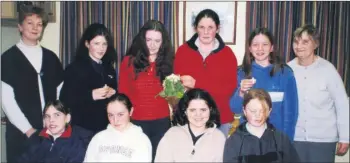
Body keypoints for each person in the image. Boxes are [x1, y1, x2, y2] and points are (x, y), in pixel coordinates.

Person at [1, 5, 64, 162]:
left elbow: (59, 95)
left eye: (39, 24)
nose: (35, 28)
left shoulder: (51, 58)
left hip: (49, 133)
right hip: (20, 134)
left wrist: (53, 125)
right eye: (30, 23)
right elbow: (7, 101)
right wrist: (28, 130)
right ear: (20, 27)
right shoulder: (8, 59)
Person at [288, 24, 349, 162]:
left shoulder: (328, 70)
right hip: (295, 139)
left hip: (324, 141)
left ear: (315, 44)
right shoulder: (288, 69)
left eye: (305, 41)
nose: (299, 46)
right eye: (296, 42)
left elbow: (342, 105)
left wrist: (345, 137)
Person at [174, 9, 238, 136]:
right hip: (189, 119)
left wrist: (196, 83)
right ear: (195, 29)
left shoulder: (227, 54)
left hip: (219, 119)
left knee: (217, 156)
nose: (206, 32)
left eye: (210, 27)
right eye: (201, 27)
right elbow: (177, 90)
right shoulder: (182, 52)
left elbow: (229, 89)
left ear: (217, 28)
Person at [118, 19, 174, 161]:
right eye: (149, 40)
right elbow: (123, 96)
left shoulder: (170, 62)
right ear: (142, 39)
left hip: (161, 122)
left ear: (163, 42)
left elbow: (174, 97)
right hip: (136, 122)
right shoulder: (128, 62)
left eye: (157, 41)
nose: (152, 45)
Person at [230, 27, 298, 140]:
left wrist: (286, 142)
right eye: (255, 44)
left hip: (276, 138)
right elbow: (235, 109)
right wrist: (241, 92)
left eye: (265, 44)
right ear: (250, 48)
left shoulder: (285, 73)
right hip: (247, 138)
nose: (260, 48)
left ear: (271, 47)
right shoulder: (241, 73)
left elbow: (291, 113)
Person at [60, 23, 117, 133]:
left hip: (107, 128)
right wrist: (91, 95)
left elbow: (115, 94)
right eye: (96, 43)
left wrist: (113, 92)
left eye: (104, 44)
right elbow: (65, 100)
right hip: (82, 129)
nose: (101, 48)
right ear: (87, 44)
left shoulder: (109, 69)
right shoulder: (74, 69)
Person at [224, 88, 300, 163]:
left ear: (269, 111)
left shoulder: (281, 139)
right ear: (244, 111)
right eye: (253, 111)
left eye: (263, 111)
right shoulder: (234, 141)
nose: (258, 115)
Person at [155, 88, 226, 162]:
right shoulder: (172, 134)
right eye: (193, 110)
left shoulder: (219, 138)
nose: (198, 114)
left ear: (210, 110)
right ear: (185, 111)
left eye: (203, 110)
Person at [17, 100, 93, 163]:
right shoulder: (36, 138)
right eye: (47, 116)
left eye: (57, 115)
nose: (51, 120)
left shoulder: (79, 140)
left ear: (67, 118)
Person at [84, 93, 152, 162]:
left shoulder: (141, 140)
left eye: (120, 114)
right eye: (110, 115)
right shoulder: (98, 138)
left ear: (130, 112)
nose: (115, 120)